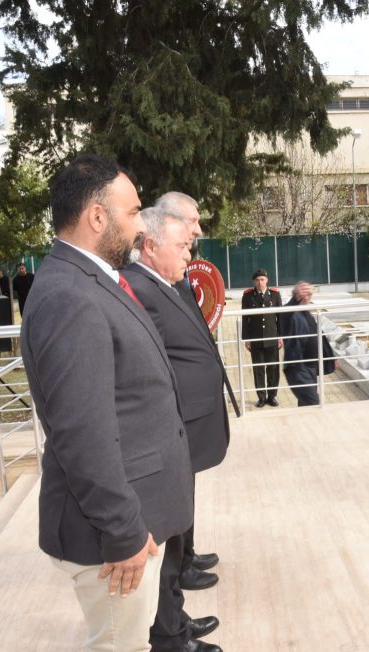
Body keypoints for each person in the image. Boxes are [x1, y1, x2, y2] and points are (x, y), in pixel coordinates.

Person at [20, 154, 194, 652]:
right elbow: (81, 432)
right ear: (98, 217)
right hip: (112, 537)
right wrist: (122, 531)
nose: (142, 226)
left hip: (130, 519)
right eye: (134, 211)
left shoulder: (89, 278)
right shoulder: (69, 296)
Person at [124, 207, 227, 652]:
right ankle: (169, 637)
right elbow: (150, 368)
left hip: (179, 428)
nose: (190, 250)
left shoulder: (160, 283)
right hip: (168, 432)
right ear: (150, 245)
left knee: (173, 539)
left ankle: (174, 622)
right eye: (182, 244)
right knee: (165, 544)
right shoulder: (141, 289)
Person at [149, 192, 229, 592]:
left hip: (192, 411)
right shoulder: (151, 283)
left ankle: (188, 555)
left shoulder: (176, 275)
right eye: (192, 223)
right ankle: (179, 567)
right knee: (178, 492)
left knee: (187, 488)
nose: (198, 230)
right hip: (179, 412)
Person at [280, 282, 335, 407]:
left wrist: (331, 357)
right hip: (298, 369)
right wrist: (295, 299)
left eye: (309, 294)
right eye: (304, 294)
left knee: (305, 405)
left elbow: (319, 336)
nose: (307, 297)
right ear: (297, 296)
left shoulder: (307, 313)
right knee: (314, 403)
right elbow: (285, 314)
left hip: (311, 368)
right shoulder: (290, 313)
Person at [241, 269, 283, 407]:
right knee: (258, 369)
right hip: (256, 338)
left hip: (272, 338)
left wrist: (281, 337)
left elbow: (280, 318)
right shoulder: (248, 296)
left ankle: (272, 396)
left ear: (267, 280)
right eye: (257, 280)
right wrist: (246, 339)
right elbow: (245, 318)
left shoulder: (275, 295)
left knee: (273, 368)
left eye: (262, 279)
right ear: (254, 282)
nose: (260, 282)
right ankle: (261, 397)